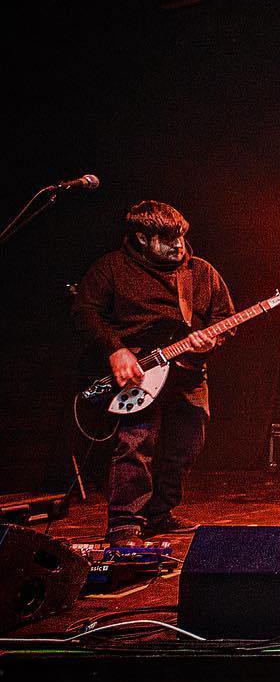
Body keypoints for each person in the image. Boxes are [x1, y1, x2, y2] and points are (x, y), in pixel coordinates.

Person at [72, 201, 234, 544]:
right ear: (142, 238)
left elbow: (224, 317)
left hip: (189, 372)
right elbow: (85, 313)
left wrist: (211, 339)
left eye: (181, 237)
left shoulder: (201, 272)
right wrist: (115, 349)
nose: (178, 245)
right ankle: (125, 523)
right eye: (168, 239)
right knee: (136, 442)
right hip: (138, 371)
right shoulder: (112, 268)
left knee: (187, 444)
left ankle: (160, 514)